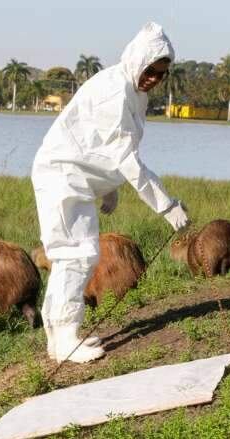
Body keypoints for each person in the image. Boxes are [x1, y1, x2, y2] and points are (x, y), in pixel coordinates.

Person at [31, 22, 189, 364]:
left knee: (72, 255)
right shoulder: (115, 90)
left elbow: (107, 144)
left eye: (160, 75)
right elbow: (126, 157)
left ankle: (58, 336)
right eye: (149, 71)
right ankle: (66, 337)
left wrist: (109, 186)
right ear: (138, 61)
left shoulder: (134, 91)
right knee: (78, 255)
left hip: (76, 177)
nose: (152, 79)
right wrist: (166, 206)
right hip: (63, 175)